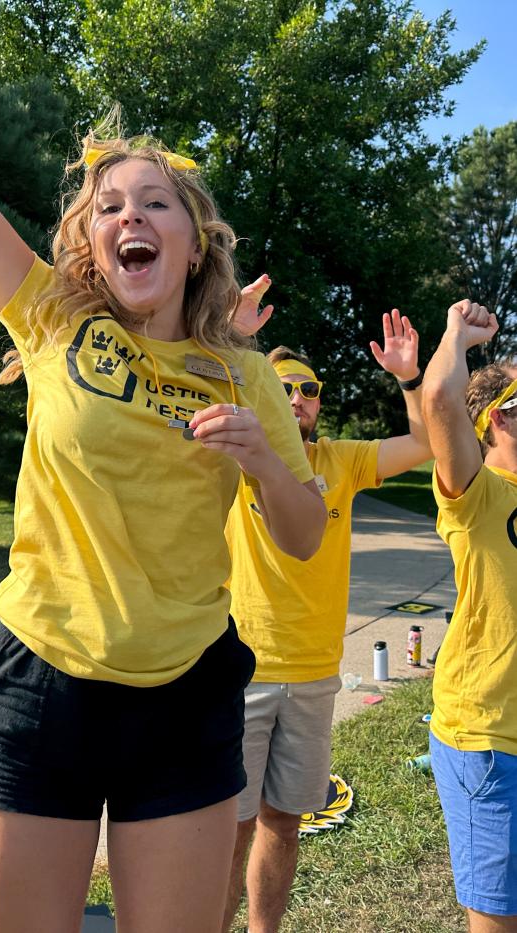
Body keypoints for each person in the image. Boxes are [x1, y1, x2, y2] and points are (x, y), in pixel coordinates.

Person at [0, 5, 328, 932]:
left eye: (154, 203)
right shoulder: (53, 320)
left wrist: (266, 460)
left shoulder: (247, 376)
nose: (129, 217)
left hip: (184, 698)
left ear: (194, 242)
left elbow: (302, 536)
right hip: (38, 686)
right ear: (94, 245)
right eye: (109, 207)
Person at [222, 306, 434, 933]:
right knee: (228, 831)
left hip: (315, 675)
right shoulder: (233, 457)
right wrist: (231, 347)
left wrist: (409, 379)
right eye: (281, 387)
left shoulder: (340, 462)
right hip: (241, 674)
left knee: (283, 824)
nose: (296, 398)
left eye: (308, 390)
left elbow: (425, 443)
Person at [422, 300, 517, 933]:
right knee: (495, 916)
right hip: (486, 732)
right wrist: (457, 337)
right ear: (490, 421)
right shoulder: (476, 491)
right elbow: (438, 402)